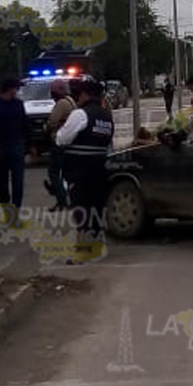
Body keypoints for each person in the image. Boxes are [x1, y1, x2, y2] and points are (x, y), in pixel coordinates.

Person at [56, 80, 114, 255]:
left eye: (79, 94)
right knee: (96, 208)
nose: (77, 97)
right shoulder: (107, 116)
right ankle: (96, 246)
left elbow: (62, 139)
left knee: (82, 210)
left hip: (79, 170)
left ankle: (83, 251)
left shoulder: (80, 114)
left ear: (86, 95)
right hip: (100, 169)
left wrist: (59, 130)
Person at [0, 78, 28, 208]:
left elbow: (25, 124)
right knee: (1, 182)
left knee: (18, 182)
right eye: (16, 88)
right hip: (0, 147)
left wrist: (30, 144)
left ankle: (16, 208)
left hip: (17, 145)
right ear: (9, 89)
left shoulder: (18, 104)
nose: (18, 91)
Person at [43, 80, 75, 210]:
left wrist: (45, 127)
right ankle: (65, 197)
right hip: (69, 142)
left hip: (59, 141)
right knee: (66, 173)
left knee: (54, 173)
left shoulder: (61, 103)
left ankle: (61, 200)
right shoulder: (70, 101)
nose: (52, 94)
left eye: (53, 91)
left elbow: (52, 122)